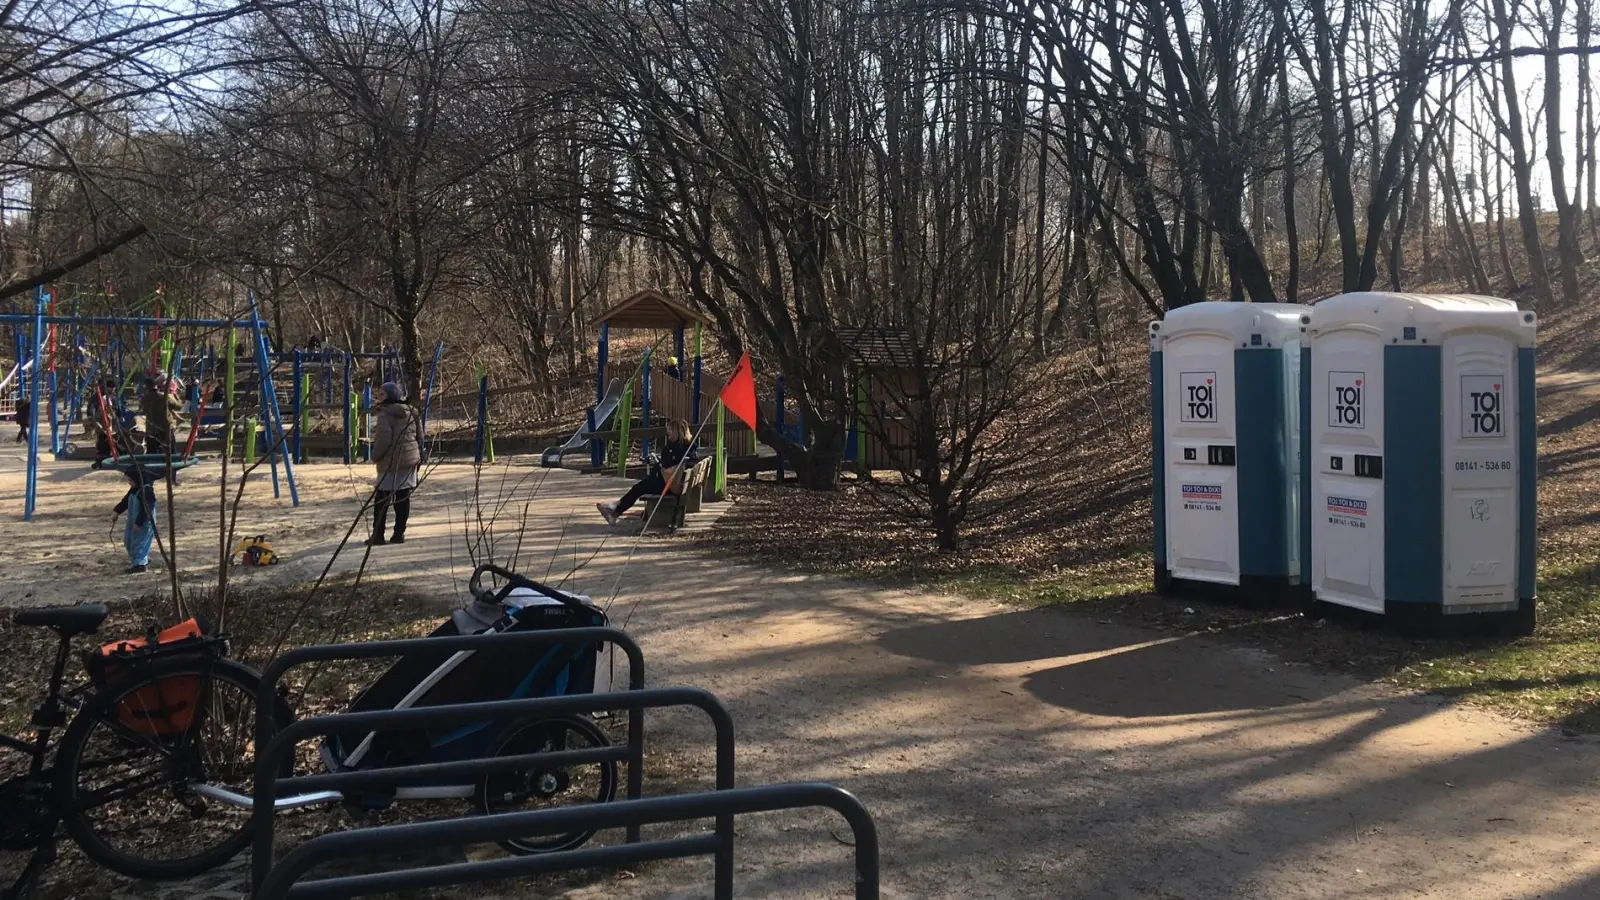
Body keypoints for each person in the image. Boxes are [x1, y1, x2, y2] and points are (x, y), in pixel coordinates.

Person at [597, 418, 697, 525]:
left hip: (669, 486)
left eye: (671, 431)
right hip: (674, 483)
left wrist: (661, 463)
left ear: (678, 432)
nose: (669, 434)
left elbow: (669, 463)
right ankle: (616, 508)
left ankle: (615, 510)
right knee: (641, 486)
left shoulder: (676, 447)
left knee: (638, 488)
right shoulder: (689, 446)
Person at [369, 380, 423, 545]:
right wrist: (419, 455)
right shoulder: (412, 412)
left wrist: (375, 456)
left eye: (382, 393)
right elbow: (420, 436)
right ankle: (399, 534)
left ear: (389, 396)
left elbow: (384, 441)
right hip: (410, 460)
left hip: (391, 461)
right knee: (403, 497)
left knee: (381, 499)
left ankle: (378, 535)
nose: (378, 396)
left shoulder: (385, 414)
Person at [113, 467, 158, 574]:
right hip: (132, 520)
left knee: (139, 542)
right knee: (128, 540)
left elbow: (147, 508)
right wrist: (116, 511)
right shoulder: (134, 489)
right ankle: (142, 559)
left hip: (144, 522)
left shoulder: (147, 491)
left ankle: (140, 564)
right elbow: (125, 501)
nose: (129, 483)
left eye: (130, 480)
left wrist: (139, 522)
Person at [139, 375, 183, 456]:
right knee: (171, 451)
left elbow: (144, 410)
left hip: (152, 429)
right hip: (166, 427)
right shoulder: (165, 397)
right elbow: (179, 406)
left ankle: (150, 466)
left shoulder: (144, 398)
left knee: (151, 453)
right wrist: (175, 395)